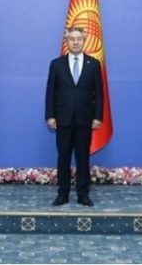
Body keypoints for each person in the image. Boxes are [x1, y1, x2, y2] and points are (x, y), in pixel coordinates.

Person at [45, 27, 103, 207]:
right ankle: (62, 194)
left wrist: (98, 117)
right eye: (72, 39)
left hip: (85, 120)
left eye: (79, 39)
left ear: (83, 41)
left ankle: (83, 194)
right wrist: (50, 116)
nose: (76, 42)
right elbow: (50, 92)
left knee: (83, 157)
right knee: (63, 157)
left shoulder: (94, 64)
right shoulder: (56, 64)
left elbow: (99, 94)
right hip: (62, 119)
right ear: (67, 42)